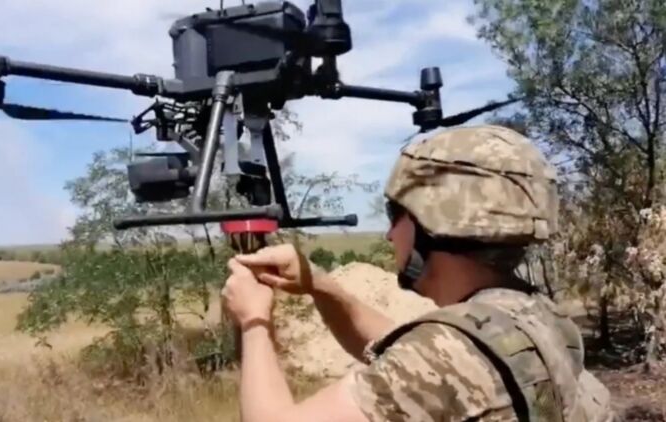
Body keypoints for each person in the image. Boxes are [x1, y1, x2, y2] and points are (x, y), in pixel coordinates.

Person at [221, 125, 616, 421]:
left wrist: (254, 320)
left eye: (396, 215)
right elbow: (406, 349)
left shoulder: (438, 357)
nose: (390, 234)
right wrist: (319, 285)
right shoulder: (538, 318)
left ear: (431, 221)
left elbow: (424, 360)